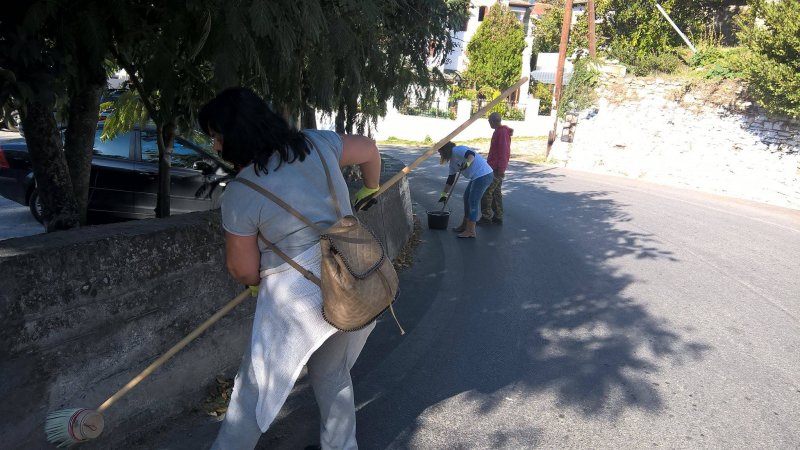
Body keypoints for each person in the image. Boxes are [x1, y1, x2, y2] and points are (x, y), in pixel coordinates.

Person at [198, 87, 381, 450]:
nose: (216, 147)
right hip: (354, 277)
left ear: (237, 136)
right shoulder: (318, 143)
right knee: (332, 375)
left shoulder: (242, 191)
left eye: (217, 137)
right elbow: (370, 150)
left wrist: (253, 284)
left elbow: (244, 269)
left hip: (298, 300)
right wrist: (369, 190)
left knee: (254, 391)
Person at [437, 141, 494, 239]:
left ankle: (471, 230)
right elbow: (450, 180)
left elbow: (471, 155)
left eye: (440, 152)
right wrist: (443, 195)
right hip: (476, 177)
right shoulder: (452, 163)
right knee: (466, 198)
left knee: (473, 201)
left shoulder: (457, 150)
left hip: (484, 175)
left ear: (445, 150)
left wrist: (467, 163)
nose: (440, 154)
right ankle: (465, 225)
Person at [479, 112, 512, 225]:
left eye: (489, 121)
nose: (488, 123)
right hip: (494, 167)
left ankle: (486, 216)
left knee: (486, 192)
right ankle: (498, 216)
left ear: (493, 121)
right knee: (496, 192)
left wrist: (501, 169)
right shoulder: (498, 132)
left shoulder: (501, 133)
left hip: (496, 169)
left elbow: (504, 152)